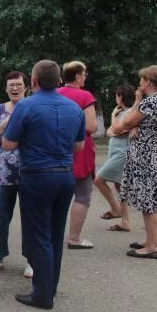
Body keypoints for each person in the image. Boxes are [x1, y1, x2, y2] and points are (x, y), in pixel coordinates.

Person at [3, 60, 85, 309]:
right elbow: (79, 146)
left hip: (37, 175)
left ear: (34, 81)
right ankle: (51, 286)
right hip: (65, 175)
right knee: (55, 233)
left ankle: (42, 294)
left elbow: (8, 144)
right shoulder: (74, 108)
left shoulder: (26, 106)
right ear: (59, 80)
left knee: (39, 235)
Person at [113, 65, 157, 259]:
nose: (139, 83)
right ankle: (152, 240)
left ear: (147, 82)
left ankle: (151, 247)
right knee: (156, 201)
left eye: (141, 80)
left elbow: (122, 125)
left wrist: (137, 101)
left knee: (149, 202)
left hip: (147, 158)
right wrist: (136, 124)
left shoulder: (150, 102)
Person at [0, 72, 33, 278]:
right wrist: (6, 123)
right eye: (11, 85)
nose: (15, 88)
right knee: (1, 216)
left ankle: (32, 260)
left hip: (30, 171)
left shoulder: (32, 107)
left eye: (19, 85)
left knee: (31, 218)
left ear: (26, 87)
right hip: (4, 173)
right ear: (6, 89)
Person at [58, 61, 99, 249]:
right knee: (82, 195)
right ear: (76, 76)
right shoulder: (84, 96)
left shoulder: (55, 94)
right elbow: (91, 126)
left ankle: (53, 235)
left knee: (56, 196)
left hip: (56, 150)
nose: (85, 76)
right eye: (84, 74)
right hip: (80, 152)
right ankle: (74, 238)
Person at [95, 84, 135, 232]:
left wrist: (112, 117)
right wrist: (114, 130)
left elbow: (117, 129)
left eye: (117, 95)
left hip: (122, 154)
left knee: (98, 179)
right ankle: (125, 221)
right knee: (120, 187)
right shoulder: (122, 112)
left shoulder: (130, 112)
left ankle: (115, 209)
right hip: (116, 152)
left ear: (122, 97)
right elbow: (110, 131)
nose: (115, 98)